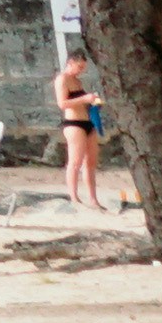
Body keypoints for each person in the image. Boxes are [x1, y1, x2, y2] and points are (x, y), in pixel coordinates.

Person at [57, 46, 106, 208]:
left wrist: (93, 104)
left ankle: (93, 199)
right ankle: (74, 197)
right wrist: (85, 98)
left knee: (91, 162)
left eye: (83, 68)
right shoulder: (62, 79)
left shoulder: (78, 81)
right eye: (79, 67)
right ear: (70, 63)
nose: (81, 71)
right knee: (75, 161)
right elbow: (62, 103)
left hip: (87, 121)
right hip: (73, 124)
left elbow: (82, 102)